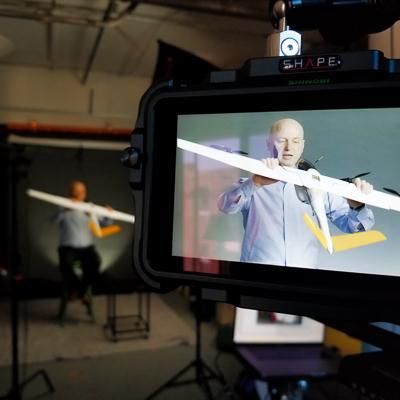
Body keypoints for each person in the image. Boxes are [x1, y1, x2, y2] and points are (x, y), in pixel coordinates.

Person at [217, 118, 375, 268]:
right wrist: (254, 183)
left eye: (295, 141)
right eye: (281, 140)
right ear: (268, 143)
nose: (289, 147)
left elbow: (355, 227)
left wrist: (357, 206)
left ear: (302, 145)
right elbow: (225, 206)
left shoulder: (319, 188)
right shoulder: (250, 184)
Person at [52, 180, 110, 303]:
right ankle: (79, 290)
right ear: (71, 192)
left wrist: (107, 214)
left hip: (87, 248)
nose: (79, 194)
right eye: (76, 191)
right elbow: (54, 220)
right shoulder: (63, 207)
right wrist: (65, 210)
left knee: (95, 263)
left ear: (84, 193)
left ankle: (79, 291)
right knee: (65, 265)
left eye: (81, 191)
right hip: (68, 248)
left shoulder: (90, 208)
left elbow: (105, 224)